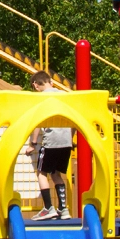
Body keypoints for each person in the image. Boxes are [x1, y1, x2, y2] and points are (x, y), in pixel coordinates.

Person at [24, 71, 73, 221]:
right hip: (66, 141)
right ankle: (64, 210)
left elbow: (38, 122)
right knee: (56, 174)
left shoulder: (42, 98)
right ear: (50, 82)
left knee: (41, 173)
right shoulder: (65, 96)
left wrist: (33, 143)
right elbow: (74, 118)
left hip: (51, 141)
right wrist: (70, 138)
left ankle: (48, 208)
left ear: (35, 85)